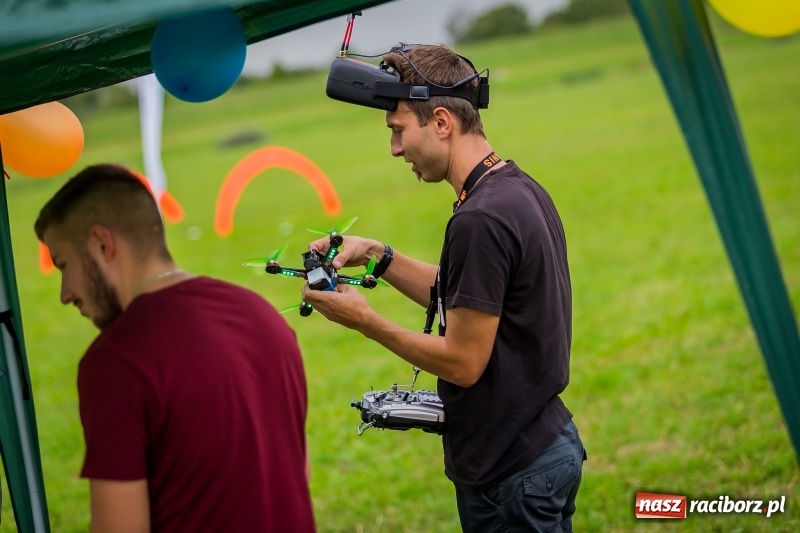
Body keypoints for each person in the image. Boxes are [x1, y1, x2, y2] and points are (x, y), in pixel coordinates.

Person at [302, 44, 586, 532]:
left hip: (511, 475)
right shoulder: (515, 188)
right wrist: (378, 254)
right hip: (544, 444)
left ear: (440, 122)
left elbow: (463, 361)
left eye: (398, 131)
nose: (395, 149)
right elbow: (474, 295)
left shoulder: (480, 219)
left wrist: (366, 321)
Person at [34, 164, 316, 532]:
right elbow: (298, 472)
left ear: (102, 244)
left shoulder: (116, 361)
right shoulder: (262, 314)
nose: (65, 293)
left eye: (64, 265)